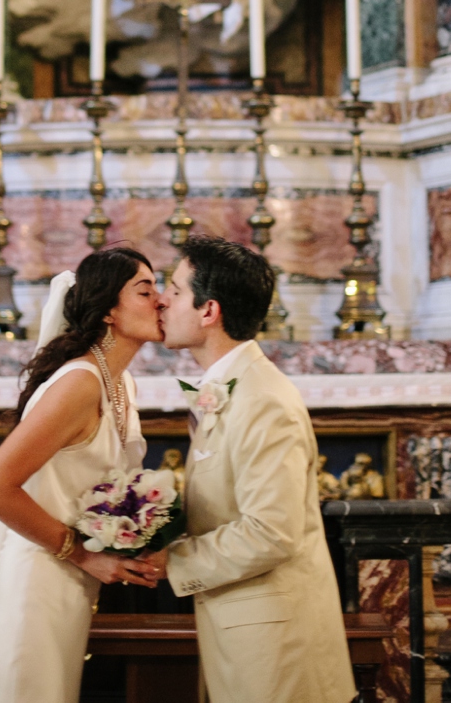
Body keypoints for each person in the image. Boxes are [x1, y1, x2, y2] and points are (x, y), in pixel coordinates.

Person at [154, 235, 356, 703]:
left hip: (278, 647)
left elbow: (272, 532)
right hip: (246, 632)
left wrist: (172, 560)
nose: (163, 300)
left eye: (175, 289)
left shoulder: (262, 399)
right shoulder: (233, 387)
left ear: (209, 311)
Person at [0, 248, 162, 703]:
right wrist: (85, 556)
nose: (162, 301)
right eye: (146, 290)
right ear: (109, 310)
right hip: (32, 591)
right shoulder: (79, 383)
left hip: (67, 590)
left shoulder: (121, 383)